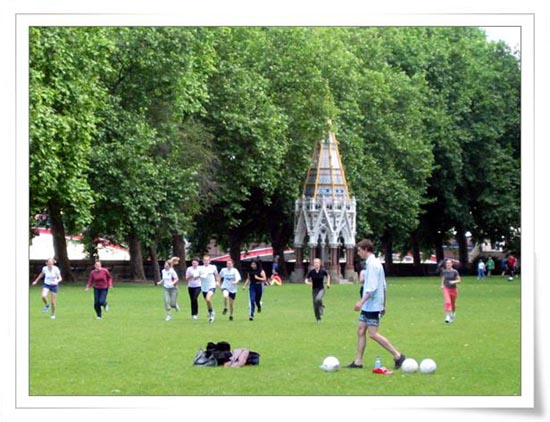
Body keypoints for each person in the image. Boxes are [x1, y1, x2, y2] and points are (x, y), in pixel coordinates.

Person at [347, 239, 405, 370]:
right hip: (371, 305)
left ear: (366, 249)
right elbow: (383, 286)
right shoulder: (372, 263)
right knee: (361, 330)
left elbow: (372, 288)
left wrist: (360, 302)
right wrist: (384, 304)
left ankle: (398, 356)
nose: (358, 252)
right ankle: (358, 362)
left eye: (359, 250)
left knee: (373, 334)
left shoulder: (373, 264)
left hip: (371, 305)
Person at [304, 258, 331, 323]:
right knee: (315, 305)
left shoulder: (323, 271)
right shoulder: (311, 272)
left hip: (321, 289)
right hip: (314, 290)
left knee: (318, 299)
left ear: (320, 264)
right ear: (313, 264)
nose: (316, 264)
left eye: (317, 262)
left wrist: (328, 283)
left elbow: (328, 276)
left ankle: (321, 307)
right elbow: (306, 280)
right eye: (315, 262)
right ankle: (318, 319)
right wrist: (308, 283)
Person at [198, 254, 219, 323]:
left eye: (207, 260)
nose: (206, 261)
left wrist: (217, 282)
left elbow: (217, 275)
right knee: (207, 302)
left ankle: (212, 314)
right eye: (205, 260)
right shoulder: (200, 268)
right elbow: (197, 276)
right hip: (204, 287)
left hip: (212, 286)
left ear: (209, 261)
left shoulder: (213, 267)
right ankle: (211, 311)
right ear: (203, 261)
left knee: (208, 299)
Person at [440, 258, 461, 323]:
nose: (448, 264)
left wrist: (454, 281)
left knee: (452, 304)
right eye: (447, 263)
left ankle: (453, 313)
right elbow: (443, 279)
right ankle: (447, 316)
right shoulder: (444, 271)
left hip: (453, 289)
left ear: (452, 264)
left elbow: (459, 280)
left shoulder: (455, 271)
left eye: (449, 263)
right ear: (446, 265)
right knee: (448, 302)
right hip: (446, 289)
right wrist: (442, 285)